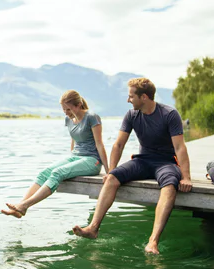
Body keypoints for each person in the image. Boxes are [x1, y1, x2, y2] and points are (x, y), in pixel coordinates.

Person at [72, 77, 193, 254]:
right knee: (112, 178)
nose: (128, 100)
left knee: (169, 186)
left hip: (166, 162)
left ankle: (153, 241)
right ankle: (93, 228)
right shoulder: (131, 115)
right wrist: (111, 170)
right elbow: (118, 145)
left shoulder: (169, 114)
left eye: (131, 96)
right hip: (142, 160)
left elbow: (180, 147)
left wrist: (186, 177)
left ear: (144, 97)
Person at [1, 90, 109, 218]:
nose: (66, 113)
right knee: (45, 173)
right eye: (64, 110)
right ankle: (19, 208)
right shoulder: (68, 120)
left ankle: (24, 206)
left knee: (58, 172)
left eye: (69, 109)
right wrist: (71, 160)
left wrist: (109, 171)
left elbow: (99, 144)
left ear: (79, 105)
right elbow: (73, 140)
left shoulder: (92, 117)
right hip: (76, 158)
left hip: (92, 161)